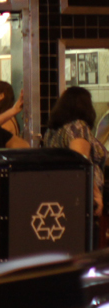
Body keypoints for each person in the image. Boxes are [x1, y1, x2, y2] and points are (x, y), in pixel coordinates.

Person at [44, 86, 106, 216]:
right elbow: (81, 164)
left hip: (59, 192)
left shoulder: (52, 131)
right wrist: (96, 195)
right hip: (81, 197)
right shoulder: (78, 127)